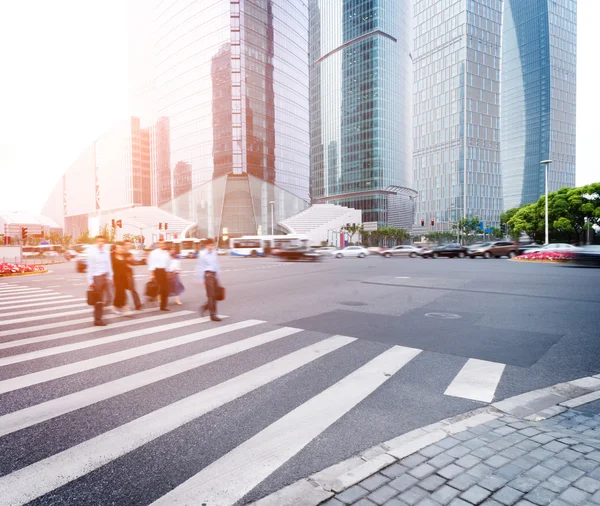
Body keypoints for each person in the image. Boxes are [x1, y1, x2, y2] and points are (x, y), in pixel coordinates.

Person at [86, 235, 114, 326]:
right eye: (99, 241)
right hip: (97, 277)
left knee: (109, 298)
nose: (101, 243)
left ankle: (100, 313)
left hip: (105, 277)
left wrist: (110, 277)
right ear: (96, 242)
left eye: (102, 241)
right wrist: (90, 281)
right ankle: (97, 319)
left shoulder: (106, 252)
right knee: (99, 300)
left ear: (104, 242)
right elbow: (90, 267)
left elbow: (108, 265)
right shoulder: (92, 253)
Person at [196, 237, 222, 322]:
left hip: (214, 275)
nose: (211, 247)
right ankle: (213, 315)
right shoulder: (202, 254)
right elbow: (200, 266)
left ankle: (205, 307)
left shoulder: (214, 253)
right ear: (206, 245)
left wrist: (217, 276)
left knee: (217, 295)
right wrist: (201, 279)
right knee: (211, 296)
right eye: (210, 245)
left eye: (212, 245)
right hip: (208, 275)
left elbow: (216, 264)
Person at [148, 239, 171, 311]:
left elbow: (168, 263)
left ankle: (163, 306)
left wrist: (168, 273)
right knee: (158, 288)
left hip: (164, 271)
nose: (162, 245)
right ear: (158, 244)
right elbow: (151, 264)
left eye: (163, 244)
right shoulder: (154, 253)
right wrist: (152, 274)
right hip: (157, 271)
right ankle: (152, 296)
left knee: (165, 290)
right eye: (161, 244)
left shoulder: (166, 253)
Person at [111, 242, 133, 316]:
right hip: (116, 277)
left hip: (124, 277)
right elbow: (109, 268)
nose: (120, 249)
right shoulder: (112, 257)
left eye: (121, 248)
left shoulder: (124, 256)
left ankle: (114, 307)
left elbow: (126, 264)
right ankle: (126, 308)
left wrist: (129, 266)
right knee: (121, 292)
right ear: (115, 249)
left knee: (119, 293)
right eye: (118, 248)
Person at [123, 239, 143, 310]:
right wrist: (126, 263)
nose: (128, 246)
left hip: (129, 274)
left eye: (129, 245)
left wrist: (132, 260)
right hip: (122, 274)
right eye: (126, 245)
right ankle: (122, 305)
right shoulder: (121, 253)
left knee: (132, 289)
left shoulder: (130, 254)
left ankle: (138, 304)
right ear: (124, 245)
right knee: (122, 291)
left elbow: (133, 263)